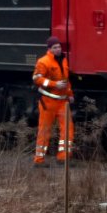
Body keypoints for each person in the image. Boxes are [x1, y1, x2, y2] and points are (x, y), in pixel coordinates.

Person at [31, 36, 74, 167]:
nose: (58, 49)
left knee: (68, 129)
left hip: (62, 101)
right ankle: (39, 160)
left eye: (59, 47)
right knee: (44, 131)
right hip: (48, 101)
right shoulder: (43, 61)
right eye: (55, 47)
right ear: (49, 49)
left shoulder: (64, 60)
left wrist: (70, 94)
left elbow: (66, 80)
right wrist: (54, 84)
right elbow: (37, 79)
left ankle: (63, 158)